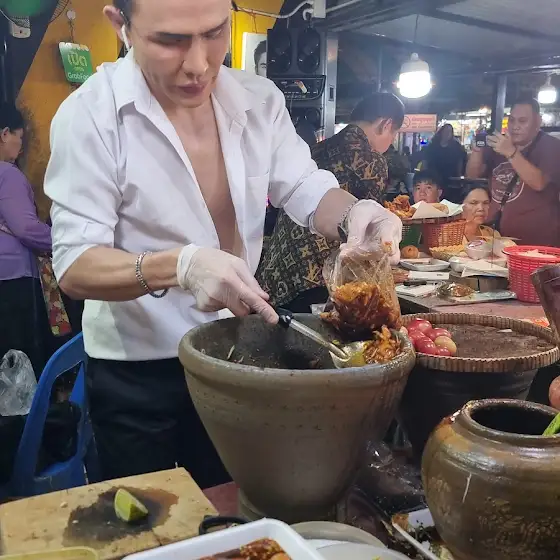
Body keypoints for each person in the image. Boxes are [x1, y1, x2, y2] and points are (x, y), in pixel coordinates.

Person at [44, 0, 402, 488]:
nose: (198, 64)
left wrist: (355, 215)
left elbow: (304, 186)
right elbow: (75, 264)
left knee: (235, 501)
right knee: (149, 515)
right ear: (121, 25)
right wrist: (181, 266)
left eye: (214, 33)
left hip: (236, 351)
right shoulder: (90, 115)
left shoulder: (258, 101)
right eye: (170, 40)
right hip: (139, 372)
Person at [257, 93, 405, 312]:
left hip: (277, 269)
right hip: (317, 279)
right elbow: (368, 234)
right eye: (393, 135)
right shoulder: (372, 160)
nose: (390, 143)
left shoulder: (317, 148)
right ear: (386, 125)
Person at [0, 105, 53, 375]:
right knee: (18, 363)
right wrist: (63, 240)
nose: (21, 146)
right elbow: (26, 228)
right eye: (20, 138)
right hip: (13, 279)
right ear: (4, 134)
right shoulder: (7, 174)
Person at [467, 98, 560, 246]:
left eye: (522, 121)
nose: (515, 126)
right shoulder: (499, 145)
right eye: (512, 120)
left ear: (538, 121)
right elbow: (472, 175)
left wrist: (511, 152)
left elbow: (539, 183)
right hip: (496, 239)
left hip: (538, 242)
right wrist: (477, 152)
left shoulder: (551, 146)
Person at [423, 123, 466, 196]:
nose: (447, 134)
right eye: (446, 131)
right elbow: (426, 161)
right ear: (441, 132)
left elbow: (460, 161)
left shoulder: (456, 147)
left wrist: (459, 175)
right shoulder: (433, 146)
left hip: (451, 179)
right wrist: (426, 175)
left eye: (449, 132)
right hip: (435, 178)